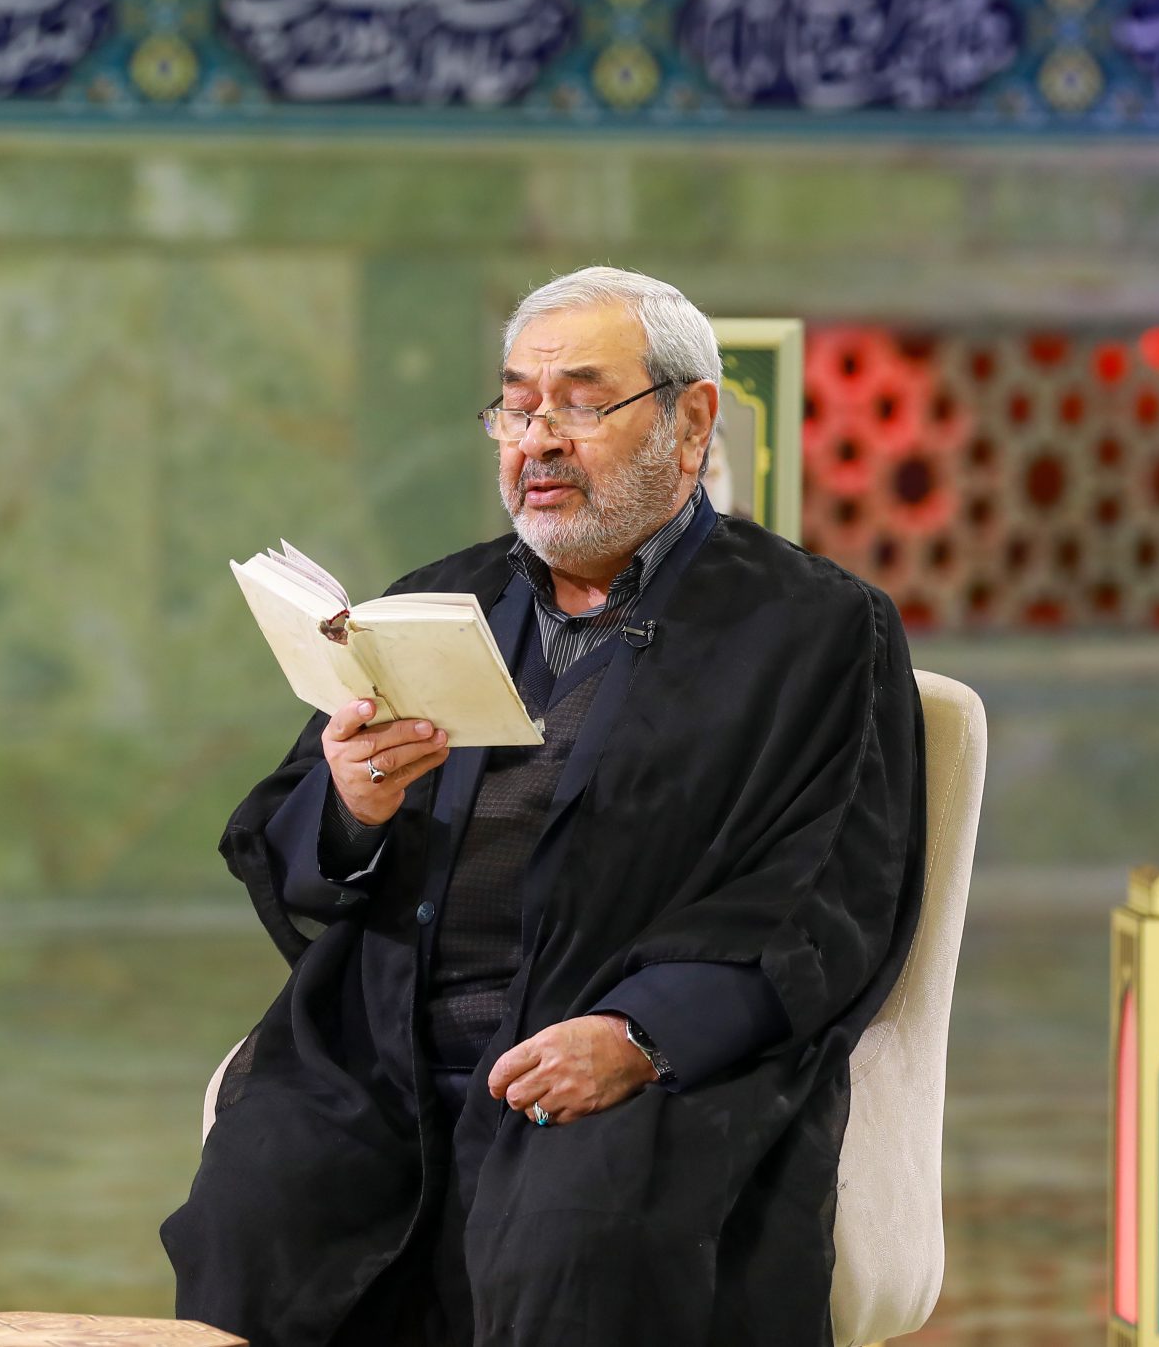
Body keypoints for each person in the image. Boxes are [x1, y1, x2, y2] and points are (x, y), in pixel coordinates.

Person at [164, 266, 927, 1347]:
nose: (537, 440)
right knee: (257, 1212)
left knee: (576, 1241)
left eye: (580, 403)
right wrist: (352, 806)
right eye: (517, 408)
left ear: (689, 421)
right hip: (392, 1049)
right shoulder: (438, 601)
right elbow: (293, 845)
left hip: (617, 1055)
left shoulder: (815, 630)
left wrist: (640, 1035)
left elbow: (834, 891)